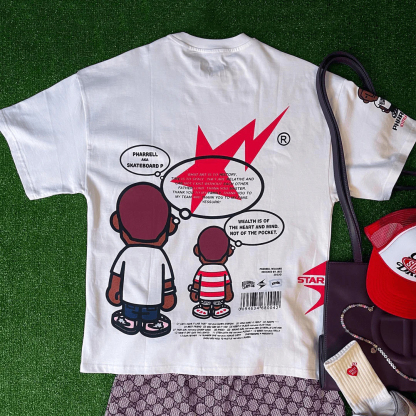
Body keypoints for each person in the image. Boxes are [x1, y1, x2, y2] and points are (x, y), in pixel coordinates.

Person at [106, 182, 179, 337]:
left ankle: (129, 320)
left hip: (128, 301)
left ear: (117, 222)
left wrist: (114, 291)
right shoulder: (159, 255)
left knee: (130, 314)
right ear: (170, 226)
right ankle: (150, 323)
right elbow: (167, 281)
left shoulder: (126, 253)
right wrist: (168, 297)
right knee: (151, 316)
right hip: (153, 303)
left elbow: (117, 276)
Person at [188, 226, 234, 319]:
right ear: (229, 251)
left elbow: (196, 284)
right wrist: (228, 296)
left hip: (204, 297)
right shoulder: (223, 269)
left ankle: (204, 309)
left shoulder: (202, 269)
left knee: (205, 304)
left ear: (197, 250)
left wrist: (194, 293)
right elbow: (227, 285)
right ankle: (218, 309)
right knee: (218, 304)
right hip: (219, 297)